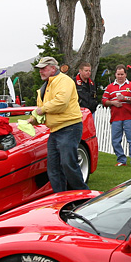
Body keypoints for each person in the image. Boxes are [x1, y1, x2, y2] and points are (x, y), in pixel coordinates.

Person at [32, 56, 88, 192]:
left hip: (69, 127)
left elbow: (61, 103)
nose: (41, 71)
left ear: (53, 68)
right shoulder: (46, 85)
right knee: (53, 168)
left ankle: (83, 195)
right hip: (56, 130)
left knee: (68, 164)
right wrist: (32, 120)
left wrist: (42, 110)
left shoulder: (64, 81)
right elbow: (43, 110)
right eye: (40, 69)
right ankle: (61, 198)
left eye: (43, 68)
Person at [102, 65, 131, 167]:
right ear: (115, 74)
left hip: (129, 117)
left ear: (125, 74)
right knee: (115, 140)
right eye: (118, 74)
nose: (120, 76)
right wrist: (113, 103)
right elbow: (104, 100)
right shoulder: (110, 87)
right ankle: (121, 160)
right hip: (115, 118)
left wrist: (125, 98)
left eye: (122, 74)